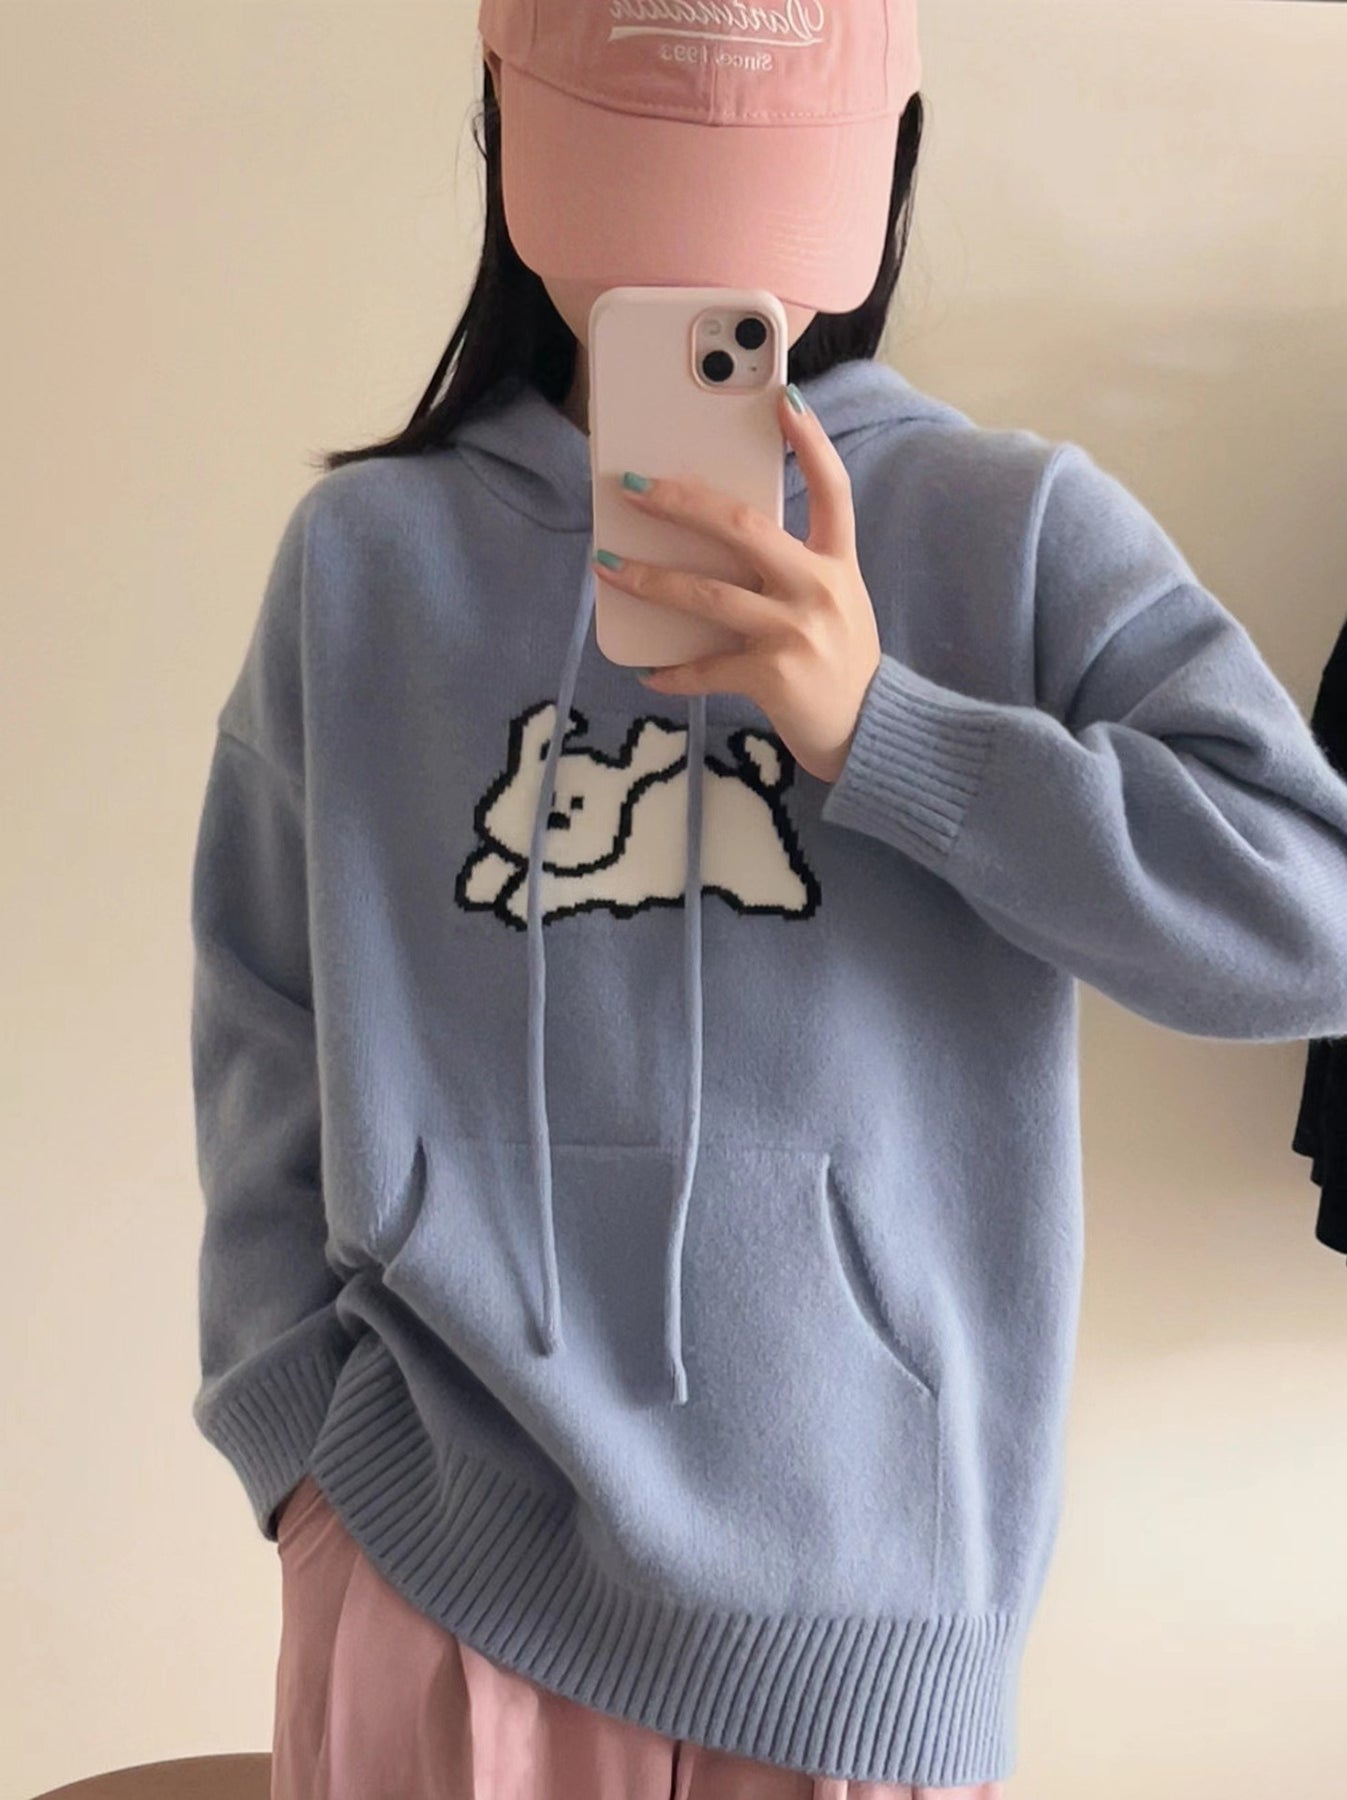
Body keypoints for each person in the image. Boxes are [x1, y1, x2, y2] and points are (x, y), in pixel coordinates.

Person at [188, 3, 1347, 1797]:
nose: (695, 267)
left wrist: (888, 731)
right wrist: (296, 1457)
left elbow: (1313, 920)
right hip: (435, 1580)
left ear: (889, 158)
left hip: (867, 1641)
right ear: (503, 118)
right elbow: (261, 1003)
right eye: (642, 182)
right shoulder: (368, 565)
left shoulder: (1013, 529)